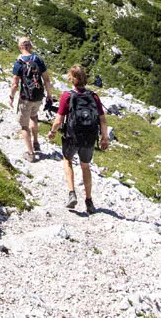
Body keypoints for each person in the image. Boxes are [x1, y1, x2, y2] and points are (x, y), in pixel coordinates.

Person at [47, 64, 108, 213]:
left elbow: (59, 120)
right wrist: (104, 138)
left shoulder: (67, 96)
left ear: (72, 79)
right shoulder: (93, 96)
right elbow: (103, 119)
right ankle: (89, 201)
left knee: (67, 160)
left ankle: (72, 193)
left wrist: (52, 132)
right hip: (89, 137)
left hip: (72, 136)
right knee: (85, 166)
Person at [8, 37, 52, 162]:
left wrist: (11, 97)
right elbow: (46, 80)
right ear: (30, 46)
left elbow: (15, 84)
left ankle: (31, 154)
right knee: (34, 116)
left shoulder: (19, 63)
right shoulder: (38, 59)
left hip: (26, 97)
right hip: (38, 96)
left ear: (20, 47)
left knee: (24, 125)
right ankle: (36, 143)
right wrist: (49, 95)